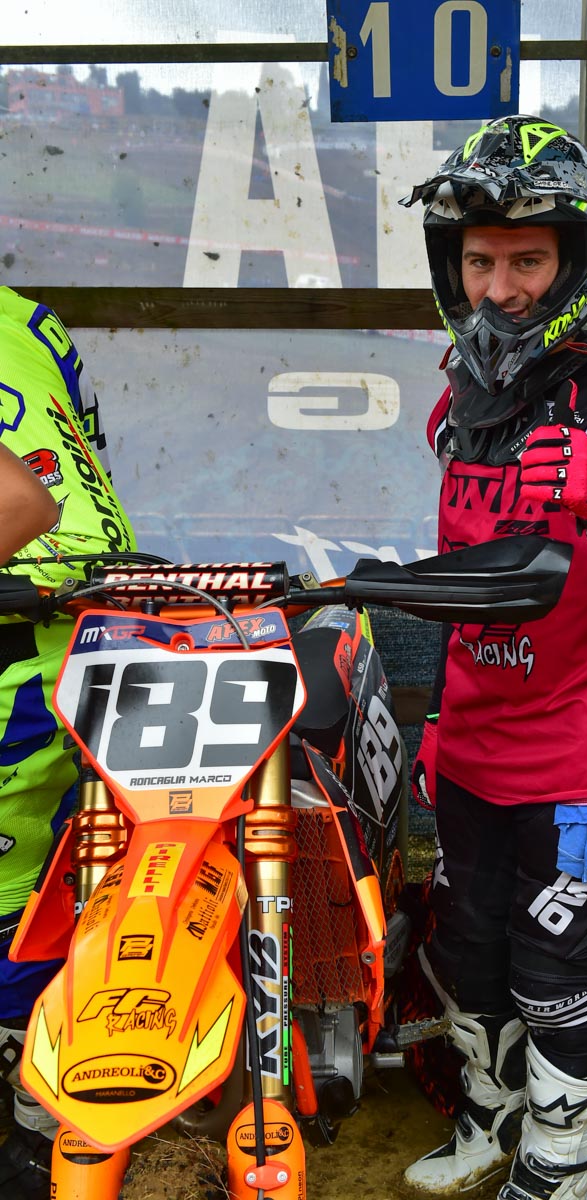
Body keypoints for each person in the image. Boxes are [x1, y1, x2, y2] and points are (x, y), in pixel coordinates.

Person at [398, 117, 587, 1200]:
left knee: (557, 975)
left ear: (573, 261)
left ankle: (558, 1166)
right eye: (478, 261)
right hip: (470, 751)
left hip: (576, 763)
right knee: (468, 957)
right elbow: (469, 586)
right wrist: (437, 727)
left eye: (526, 260)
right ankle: (490, 1123)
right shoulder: (459, 400)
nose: (500, 290)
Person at [0, 285, 136, 1198]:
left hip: (24, 633)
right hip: (90, 611)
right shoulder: (24, 313)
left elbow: (20, 501)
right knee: (53, 885)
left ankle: (37, 1124)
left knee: (28, 895)